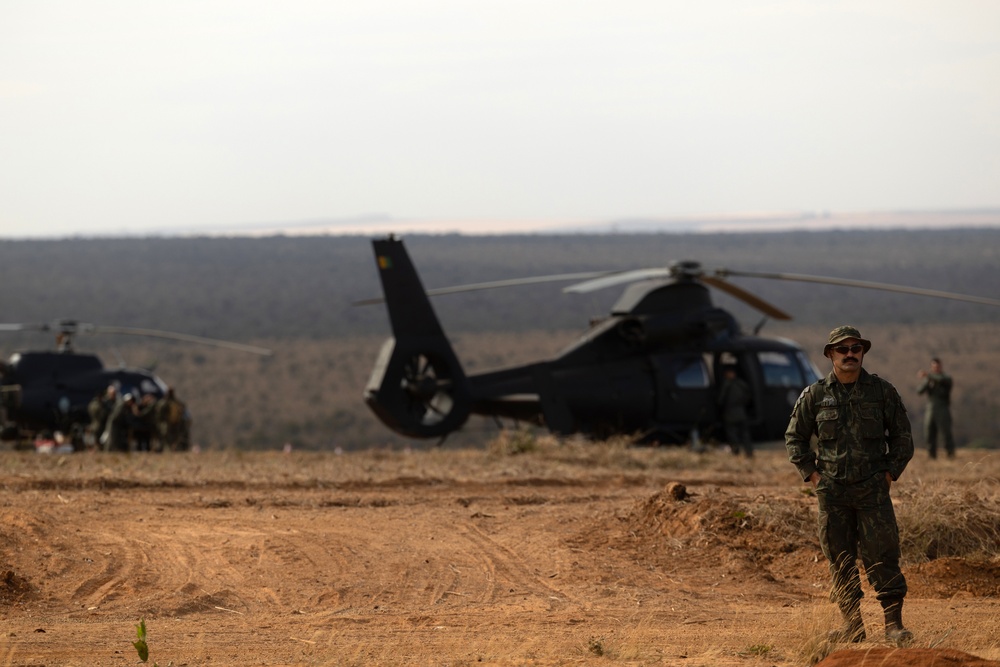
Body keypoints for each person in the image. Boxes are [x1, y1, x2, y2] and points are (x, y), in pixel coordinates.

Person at [784, 325, 914, 646]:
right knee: (839, 558)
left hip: (873, 491)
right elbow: (795, 438)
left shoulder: (882, 392)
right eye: (843, 349)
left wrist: (889, 474)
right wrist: (813, 476)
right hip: (833, 494)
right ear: (830, 354)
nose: (850, 354)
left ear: (863, 352)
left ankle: (893, 626)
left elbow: (902, 438)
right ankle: (852, 626)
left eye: (856, 348)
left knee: (882, 554)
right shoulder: (815, 395)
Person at [917, 358, 955, 459]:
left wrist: (928, 376)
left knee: (945, 432)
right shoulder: (929, 379)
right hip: (931, 408)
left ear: (941, 367)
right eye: (934, 367)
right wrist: (927, 381)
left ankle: (950, 453)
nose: (936, 368)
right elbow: (919, 391)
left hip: (943, 408)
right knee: (929, 431)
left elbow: (942, 380)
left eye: (937, 366)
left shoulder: (945, 378)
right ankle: (931, 455)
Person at [717, 365, 753, 457]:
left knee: (733, 435)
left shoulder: (727, 385)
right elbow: (748, 397)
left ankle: (737, 452)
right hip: (741, 413)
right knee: (744, 434)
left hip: (731, 413)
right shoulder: (741, 384)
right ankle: (748, 453)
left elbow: (720, 400)